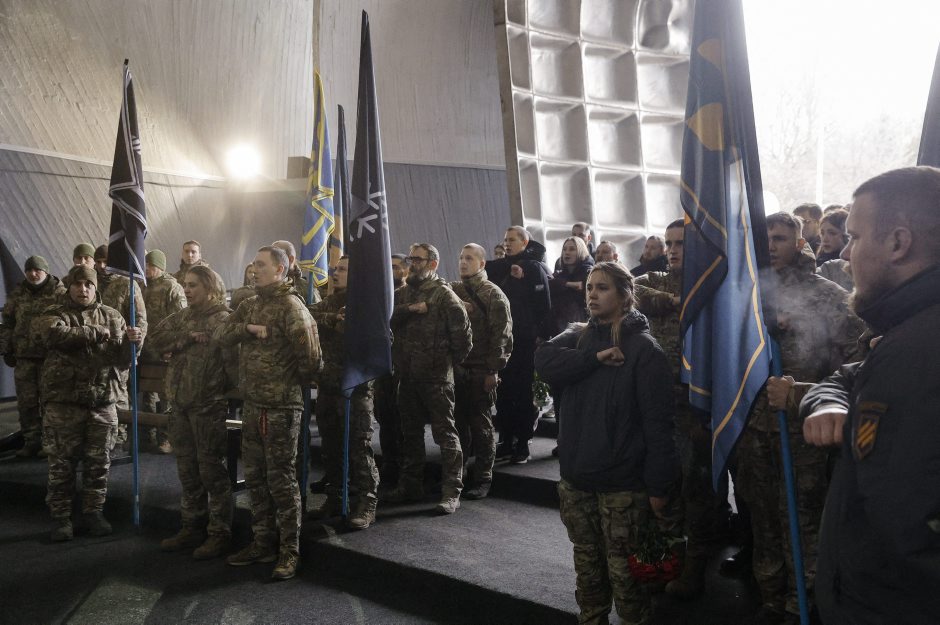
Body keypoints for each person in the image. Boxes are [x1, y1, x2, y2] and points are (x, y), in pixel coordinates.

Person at [800, 166, 940, 625]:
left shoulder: (923, 348)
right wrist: (828, 399)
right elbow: (852, 375)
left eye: (855, 238)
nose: (844, 253)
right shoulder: (905, 336)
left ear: (898, 243)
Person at [535, 261, 679, 625]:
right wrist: (595, 359)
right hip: (578, 479)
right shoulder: (580, 336)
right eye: (589, 287)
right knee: (588, 570)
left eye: (602, 288)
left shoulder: (644, 350)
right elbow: (543, 360)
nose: (592, 295)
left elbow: (659, 427)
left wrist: (659, 487)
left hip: (622, 486)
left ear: (625, 295)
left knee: (627, 578)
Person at [741, 212, 865, 624]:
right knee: (762, 516)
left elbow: (856, 363)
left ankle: (802, 601)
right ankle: (771, 597)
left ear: (798, 244)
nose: (770, 246)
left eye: (779, 238)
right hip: (755, 426)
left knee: (803, 516)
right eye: (765, 238)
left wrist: (807, 393)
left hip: (803, 428)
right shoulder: (746, 293)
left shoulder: (826, 295)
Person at [634, 219, 729, 598]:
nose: (673, 250)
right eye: (669, 243)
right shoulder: (659, 281)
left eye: (681, 244)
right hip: (659, 401)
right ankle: (663, 562)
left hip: (698, 403)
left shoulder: (713, 286)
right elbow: (631, 288)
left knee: (696, 489)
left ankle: (696, 567)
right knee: (660, 484)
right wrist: (672, 301)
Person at [215, 245, 321, 580]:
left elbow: (312, 361)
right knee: (256, 479)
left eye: (261, 265)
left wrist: (283, 382)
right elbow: (221, 334)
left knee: (281, 480)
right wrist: (247, 329)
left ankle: (289, 550)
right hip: (253, 404)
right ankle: (262, 542)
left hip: (281, 407)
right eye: (253, 264)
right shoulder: (249, 305)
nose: (254, 269)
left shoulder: (292, 307)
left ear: (280, 269)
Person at [36, 265, 141, 541]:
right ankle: (62, 518)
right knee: (62, 465)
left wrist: (134, 343)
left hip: (102, 403)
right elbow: (53, 335)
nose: (83, 289)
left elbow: (124, 361)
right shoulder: (55, 313)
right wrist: (95, 332)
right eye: (77, 284)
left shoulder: (113, 316)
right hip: (64, 404)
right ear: (69, 287)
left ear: (96, 288)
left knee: (99, 463)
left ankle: (93, 512)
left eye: (88, 285)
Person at [149, 265, 235, 559]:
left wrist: (219, 389)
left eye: (193, 285)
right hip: (180, 406)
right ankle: (191, 528)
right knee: (187, 471)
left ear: (210, 288)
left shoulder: (224, 320)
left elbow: (235, 363)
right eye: (185, 285)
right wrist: (184, 337)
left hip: (207, 407)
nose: (186, 290)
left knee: (211, 472)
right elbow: (155, 338)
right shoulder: (184, 317)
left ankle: (219, 533)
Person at [386, 243, 471, 515]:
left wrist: (444, 363)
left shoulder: (444, 296)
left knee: (445, 434)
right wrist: (412, 309)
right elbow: (388, 318)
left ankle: (451, 491)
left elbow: (463, 340)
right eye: (411, 259)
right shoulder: (402, 294)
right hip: (407, 375)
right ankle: (410, 485)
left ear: (433, 264)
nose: (412, 264)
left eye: (418, 260)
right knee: (409, 434)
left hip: (436, 377)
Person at [307, 256, 380, 529]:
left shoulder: (368, 305)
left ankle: (366, 501)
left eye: (343, 269)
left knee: (359, 448)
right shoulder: (329, 303)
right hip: (328, 385)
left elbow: (382, 341)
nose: (335, 273)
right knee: (331, 448)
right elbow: (306, 316)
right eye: (335, 269)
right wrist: (332, 319)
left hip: (355, 389)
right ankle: (336, 497)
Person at [450, 244, 512, 499]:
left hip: (481, 369)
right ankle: (459, 475)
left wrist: (493, 370)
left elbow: (502, 335)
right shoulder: (453, 290)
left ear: (482, 263)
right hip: (458, 369)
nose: (463, 262)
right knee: (458, 425)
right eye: (461, 258)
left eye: (469, 258)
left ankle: (483, 477)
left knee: (481, 427)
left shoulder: (492, 294)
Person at [0, 256, 66, 457]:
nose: (33, 274)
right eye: (29, 270)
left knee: (50, 401)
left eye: (37, 270)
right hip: (24, 356)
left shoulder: (59, 293)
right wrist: (6, 349)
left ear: (46, 271)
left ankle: (49, 442)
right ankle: (31, 441)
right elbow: (7, 323)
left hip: (50, 357)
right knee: (26, 402)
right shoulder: (18, 294)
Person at [97, 245, 148, 452]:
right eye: (98, 262)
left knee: (118, 395)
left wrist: (134, 347)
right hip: (94, 353)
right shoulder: (90, 283)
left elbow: (141, 320)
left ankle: (119, 438)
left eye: (105, 262)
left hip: (119, 350)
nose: (102, 266)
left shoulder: (127, 284)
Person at [141, 249, 186, 453]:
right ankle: (147, 437)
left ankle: (167, 438)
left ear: (159, 266)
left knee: (167, 395)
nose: (146, 269)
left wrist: (172, 347)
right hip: (146, 350)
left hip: (164, 350)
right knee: (147, 395)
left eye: (150, 265)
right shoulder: (142, 286)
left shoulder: (171, 287)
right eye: (145, 265)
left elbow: (180, 320)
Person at [372, 253, 409, 487]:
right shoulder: (382, 294)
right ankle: (389, 464)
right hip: (383, 367)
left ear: (406, 270)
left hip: (404, 368)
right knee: (384, 419)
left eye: (395, 267)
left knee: (402, 421)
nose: (391, 271)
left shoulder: (409, 294)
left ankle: (405, 469)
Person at [272, 239, 320, 304]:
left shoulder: (306, 288)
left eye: (276, 256)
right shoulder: (266, 282)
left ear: (291, 259)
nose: (271, 261)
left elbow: (316, 308)